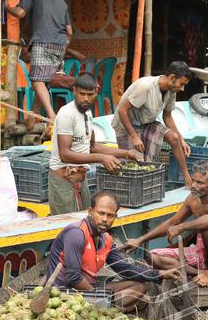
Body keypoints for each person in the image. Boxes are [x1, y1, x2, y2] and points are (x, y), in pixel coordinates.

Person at [46, 191, 179, 312]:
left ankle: (110, 309)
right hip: (66, 292)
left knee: (139, 287)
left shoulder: (106, 239)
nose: (105, 219)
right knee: (138, 301)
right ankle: (111, 309)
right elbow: (73, 277)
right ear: (90, 211)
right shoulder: (76, 233)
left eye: (110, 215)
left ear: (115, 217)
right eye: (101, 213)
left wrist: (159, 273)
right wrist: (98, 298)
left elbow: (125, 269)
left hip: (89, 291)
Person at [123, 161, 208, 288]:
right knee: (153, 257)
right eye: (193, 181)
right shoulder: (192, 199)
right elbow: (172, 222)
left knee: (207, 226)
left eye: (200, 183)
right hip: (205, 255)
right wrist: (140, 240)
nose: (194, 186)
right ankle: (202, 272)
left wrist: (181, 227)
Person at [48, 73, 142, 215]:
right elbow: (65, 155)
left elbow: (92, 147)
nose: (86, 99)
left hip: (81, 178)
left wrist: (126, 153)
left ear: (96, 92)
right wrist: (101, 158)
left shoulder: (88, 113)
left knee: (85, 221)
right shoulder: (67, 114)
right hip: (63, 179)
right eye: (82, 94)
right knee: (66, 227)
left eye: (90, 94)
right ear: (74, 91)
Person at [111, 61, 194, 187]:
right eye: (182, 84)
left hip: (146, 123)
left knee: (174, 138)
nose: (182, 88)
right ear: (172, 78)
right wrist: (134, 136)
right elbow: (122, 110)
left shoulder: (171, 91)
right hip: (127, 126)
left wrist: (182, 139)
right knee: (137, 163)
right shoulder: (146, 87)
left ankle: (187, 178)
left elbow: (167, 116)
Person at [5, 0, 71, 123]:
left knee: (36, 81)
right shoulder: (61, 1)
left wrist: (7, 7)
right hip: (60, 45)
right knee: (42, 83)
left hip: (43, 42)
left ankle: (51, 116)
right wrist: (64, 48)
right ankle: (32, 119)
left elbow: (20, 13)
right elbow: (69, 32)